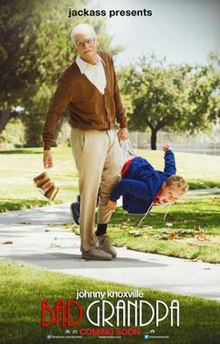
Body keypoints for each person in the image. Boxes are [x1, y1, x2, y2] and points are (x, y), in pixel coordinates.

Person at [42, 24, 128, 261]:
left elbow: (115, 93)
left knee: (112, 181)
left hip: (110, 133)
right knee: (89, 190)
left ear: (96, 41)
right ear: (75, 47)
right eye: (81, 43)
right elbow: (53, 112)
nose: (87, 46)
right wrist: (47, 146)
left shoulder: (107, 60)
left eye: (89, 41)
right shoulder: (70, 77)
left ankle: (101, 234)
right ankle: (87, 246)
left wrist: (123, 124)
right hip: (86, 137)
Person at [107, 144, 188, 214]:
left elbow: (170, 165)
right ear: (164, 185)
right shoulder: (148, 191)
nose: (170, 199)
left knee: (146, 203)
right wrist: (113, 199)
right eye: (170, 193)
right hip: (127, 164)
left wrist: (168, 151)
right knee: (141, 207)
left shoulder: (170, 177)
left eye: (175, 198)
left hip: (140, 164)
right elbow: (125, 184)